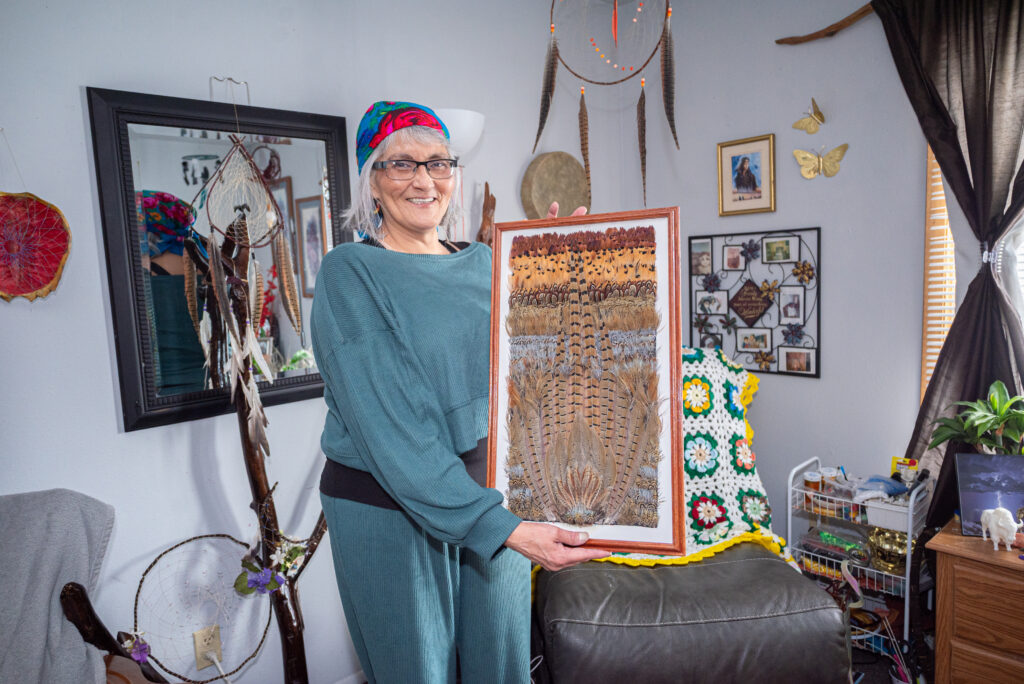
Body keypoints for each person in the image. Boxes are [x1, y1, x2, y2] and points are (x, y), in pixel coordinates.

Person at [311, 101, 607, 684]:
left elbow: (543, 373)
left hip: (493, 494)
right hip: (390, 506)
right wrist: (503, 527)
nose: (424, 180)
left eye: (439, 163)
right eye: (402, 164)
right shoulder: (350, 272)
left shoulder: (487, 262)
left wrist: (560, 270)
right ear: (372, 181)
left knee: (502, 668)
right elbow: (397, 427)